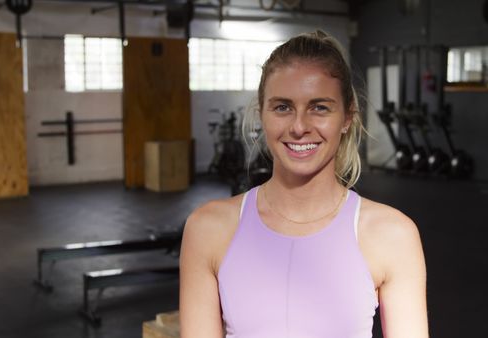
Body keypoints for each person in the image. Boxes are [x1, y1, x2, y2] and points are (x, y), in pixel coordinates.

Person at [179, 30, 428, 338]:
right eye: (282, 107)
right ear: (263, 114)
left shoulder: (392, 235)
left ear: (348, 117)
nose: (299, 127)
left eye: (319, 107)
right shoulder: (208, 229)